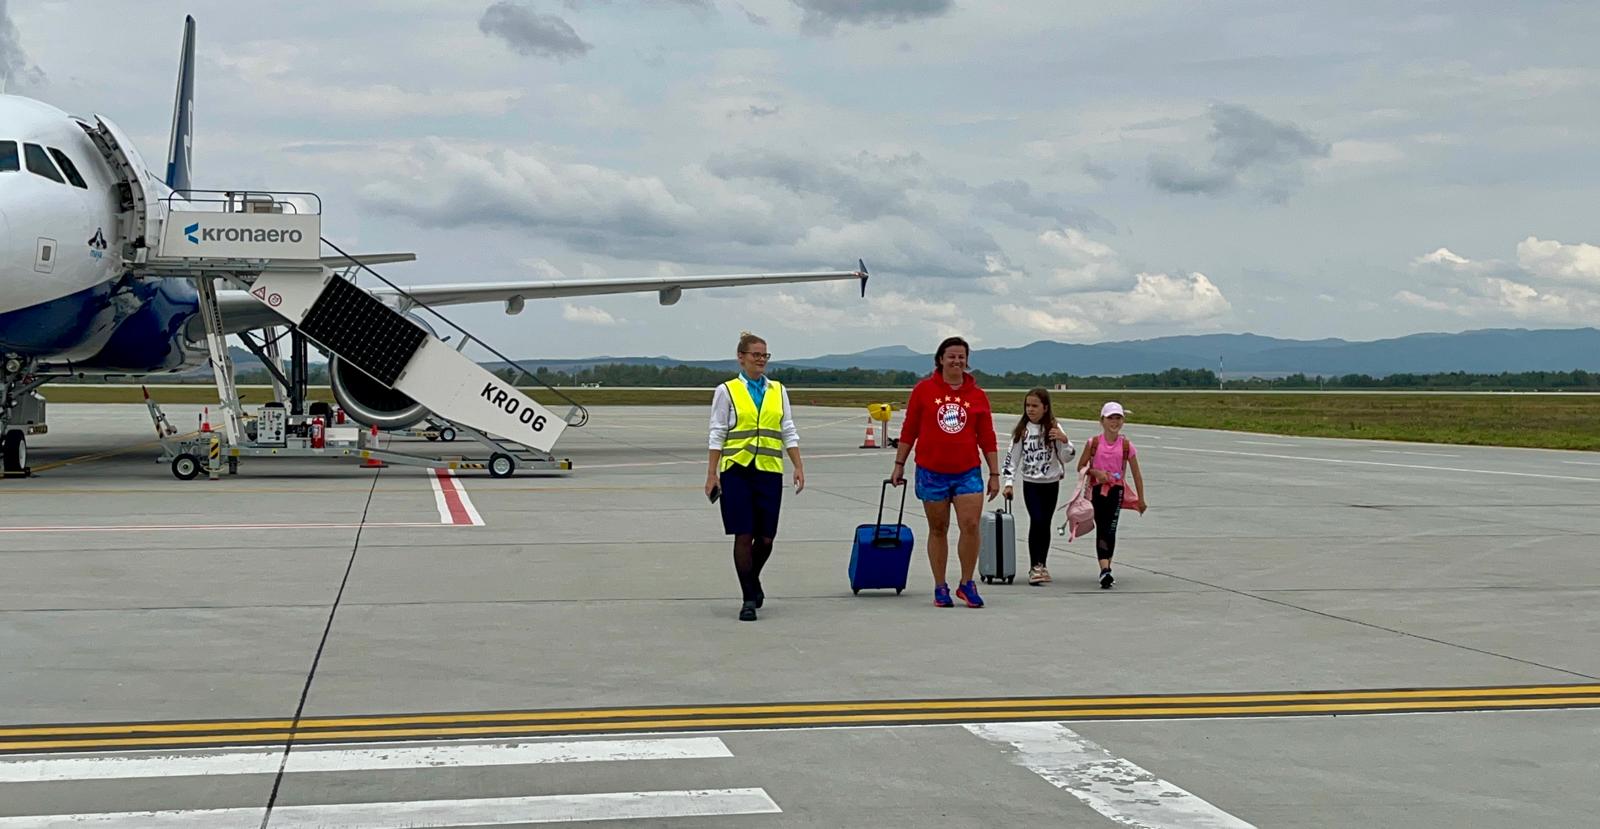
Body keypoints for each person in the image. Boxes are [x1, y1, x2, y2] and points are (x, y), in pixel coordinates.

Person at [889, 336, 1000, 608]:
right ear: (940, 359)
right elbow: (910, 429)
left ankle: (967, 583)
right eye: (951, 356)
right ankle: (940, 586)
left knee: (971, 525)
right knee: (938, 528)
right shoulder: (923, 390)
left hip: (967, 472)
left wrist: (995, 473)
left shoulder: (977, 395)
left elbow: (987, 436)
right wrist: (899, 463)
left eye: (961, 356)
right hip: (932, 471)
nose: (957, 361)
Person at [706, 332, 805, 621]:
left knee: (766, 540)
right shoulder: (726, 391)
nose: (761, 360)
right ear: (741, 357)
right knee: (743, 534)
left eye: (765, 355)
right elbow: (717, 433)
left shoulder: (778, 390)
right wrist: (712, 473)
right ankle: (748, 597)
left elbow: (788, 428)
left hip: (769, 471)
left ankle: (753, 579)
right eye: (755, 355)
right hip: (737, 470)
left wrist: (798, 465)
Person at [1001, 388, 1075, 586]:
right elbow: (1012, 459)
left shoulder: (1053, 427)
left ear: (1045, 407)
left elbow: (1067, 456)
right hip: (1031, 484)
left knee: (1045, 523)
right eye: (1028, 406)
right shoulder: (1022, 431)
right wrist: (1009, 483)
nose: (1030, 410)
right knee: (1037, 520)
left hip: (1050, 484)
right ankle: (1035, 566)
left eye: (1035, 406)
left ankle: (1042, 564)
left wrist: (1064, 440)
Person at [1075, 401, 1146, 588]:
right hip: (1097, 490)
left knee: (1110, 528)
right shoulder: (1094, 443)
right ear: (1102, 421)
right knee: (1102, 527)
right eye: (1110, 418)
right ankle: (1105, 568)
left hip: (1116, 491)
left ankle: (1106, 568)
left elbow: (1137, 474)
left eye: (1118, 418)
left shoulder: (1126, 446)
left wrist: (1141, 498)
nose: (1114, 422)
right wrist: (1096, 473)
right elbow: (1081, 466)